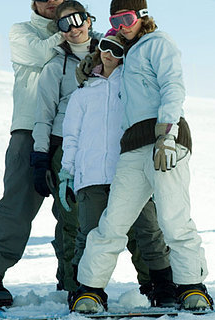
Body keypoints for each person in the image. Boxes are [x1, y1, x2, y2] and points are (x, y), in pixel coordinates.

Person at [71, 0, 213, 313]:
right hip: (133, 148)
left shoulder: (157, 43)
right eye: (115, 20)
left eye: (127, 18)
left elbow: (173, 87)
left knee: (174, 219)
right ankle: (90, 290)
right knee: (113, 223)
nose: (122, 25)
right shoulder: (128, 51)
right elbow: (106, 69)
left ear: (143, 16)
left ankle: (192, 287)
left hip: (166, 140)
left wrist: (167, 135)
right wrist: (91, 65)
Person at [0, 0, 70, 307]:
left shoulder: (83, 32)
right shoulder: (22, 32)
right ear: (33, 1)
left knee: (74, 211)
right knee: (16, 208)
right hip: (29, 129)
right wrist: (71, 32)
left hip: (71, 134)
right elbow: (41, 54)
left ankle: (75, 283)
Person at [58, 34, 175, 312]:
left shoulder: (132, 86)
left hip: (130, 173)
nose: (110, 53)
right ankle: (84, 292)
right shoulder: (83, 93)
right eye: (105, 47)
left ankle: (162, 288)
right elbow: (72, 136)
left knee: (148, 231)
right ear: (98, 50)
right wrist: (67, 173)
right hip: (93, 176)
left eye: (118, 49)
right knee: (89, 235)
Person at [30, 0, 101, 297]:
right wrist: (40, 156)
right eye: (64, 23)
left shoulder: (110, 54)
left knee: (120, 216)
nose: (74, 28)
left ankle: (153, 283)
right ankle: (73, 285)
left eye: (78, 19)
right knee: (70, 217)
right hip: (65, 147)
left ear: (89, 20)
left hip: (101, 144)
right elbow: (43, 116)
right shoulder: (55, 67)